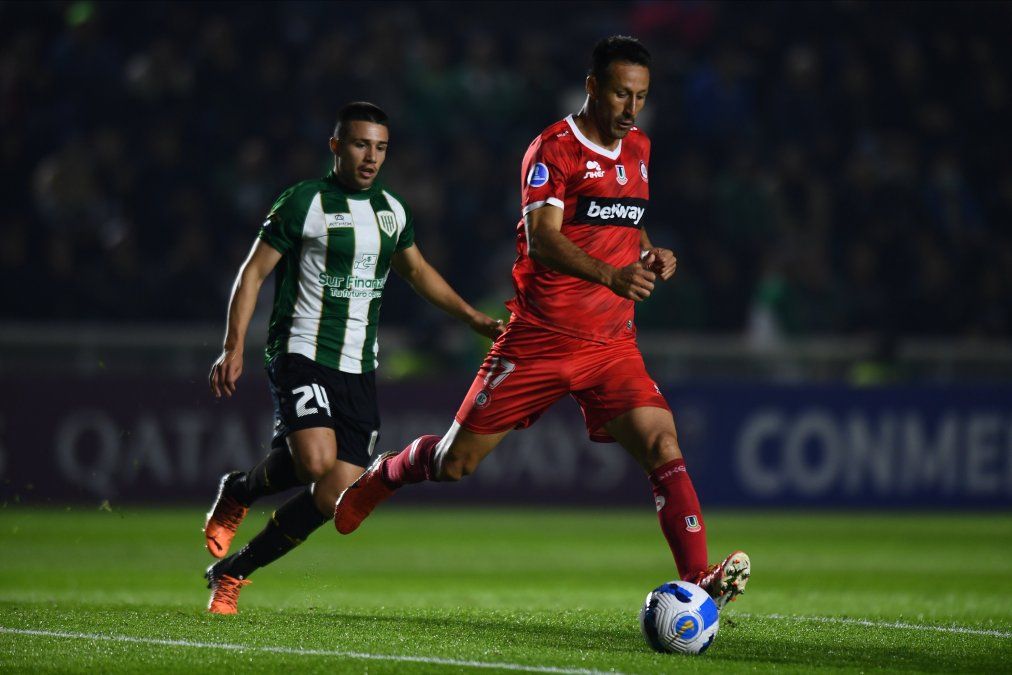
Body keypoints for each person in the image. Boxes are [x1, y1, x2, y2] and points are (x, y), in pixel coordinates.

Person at [334, 38, 750, 608]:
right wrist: (612, 276)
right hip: (540, 339)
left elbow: (627, 221)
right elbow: (544, 240)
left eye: (642, 97)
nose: (632, 109)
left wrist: (652, 253)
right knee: (456, 463)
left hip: (611, 344)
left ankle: (699, 579)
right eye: (621, 94)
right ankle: (390, 471)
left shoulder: (640, 147)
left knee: (662, 442)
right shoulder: (552, 150)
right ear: (592, 86)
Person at [202, 101, 503, 614]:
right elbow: (253, 273)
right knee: (313, 460)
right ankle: (240, 491)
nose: (371, 157)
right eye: (361, 144)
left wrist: (473, 318)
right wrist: (234, 345)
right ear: (336, 146)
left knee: (333, 495)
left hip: (359, 366)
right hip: (300, 348)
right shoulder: (304, 202)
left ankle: (232, 572)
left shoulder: (392, 211)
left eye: (381, 147)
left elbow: (418, 271)